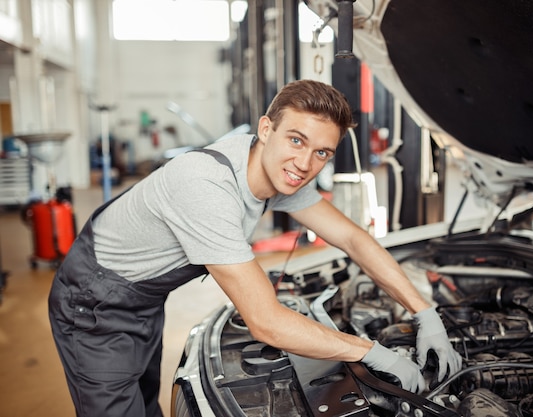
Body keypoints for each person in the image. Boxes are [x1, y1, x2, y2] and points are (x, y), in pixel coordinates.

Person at [48, 79, 462, 417]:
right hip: (95, 304)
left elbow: (353, 238)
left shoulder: (277, 174)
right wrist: (375, 354)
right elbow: (264, 321)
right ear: (266, 130)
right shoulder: (205, 187)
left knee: (143, 402)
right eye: (296, 140)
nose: (304, 164)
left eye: (321, 152)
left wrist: (426, 314)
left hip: (143, 298)